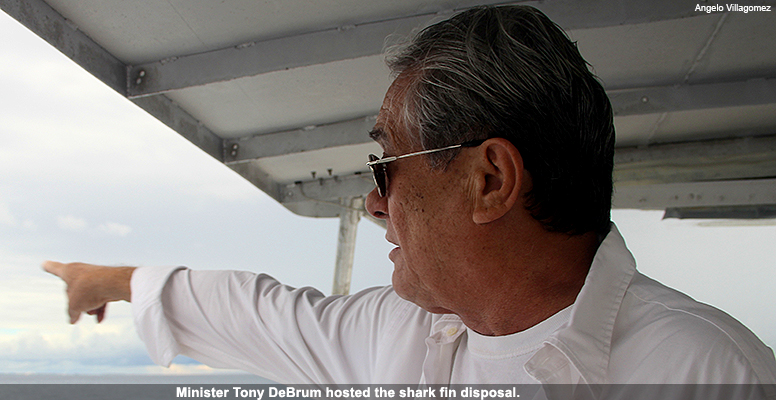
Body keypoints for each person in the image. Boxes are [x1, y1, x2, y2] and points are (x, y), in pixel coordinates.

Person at [44, 4, 775, 396]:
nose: (373, 203)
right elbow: (251, 310)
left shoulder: (712, 374)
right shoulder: (396, 334)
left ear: (489, 179)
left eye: (387, 164)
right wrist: (106, 279)